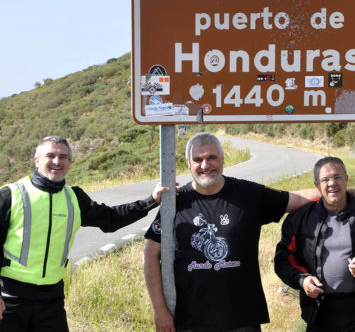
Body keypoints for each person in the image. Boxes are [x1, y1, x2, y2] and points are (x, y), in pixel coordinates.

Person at [144, 132, 324, 332]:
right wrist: (160, 310)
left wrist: (341, 192)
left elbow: (297, 199)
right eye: (198, 159)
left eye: (211, 157)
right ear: (188, 162)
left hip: (242, 319)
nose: (205, 165)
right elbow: (150, 255)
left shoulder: (248, 195)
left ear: (222, 159)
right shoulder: (175, 203)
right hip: (189, 321)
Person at [0, 135, 168, 332]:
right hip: (10, 299)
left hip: (51, 300)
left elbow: (111, 219)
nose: (57, 161)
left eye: (63, 157)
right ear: (37, 160)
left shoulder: (74, 198)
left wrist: (151, 200)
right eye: (50, 155)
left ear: (70, 163)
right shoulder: (12, 194)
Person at [274, 156, 355, 332]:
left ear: (347, 179)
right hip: (319, 312)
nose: (332, 183)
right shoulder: (300, 219)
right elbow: (283, 260)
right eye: (325, 179)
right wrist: (302, 280)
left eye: (337, 177)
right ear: (317, 185)